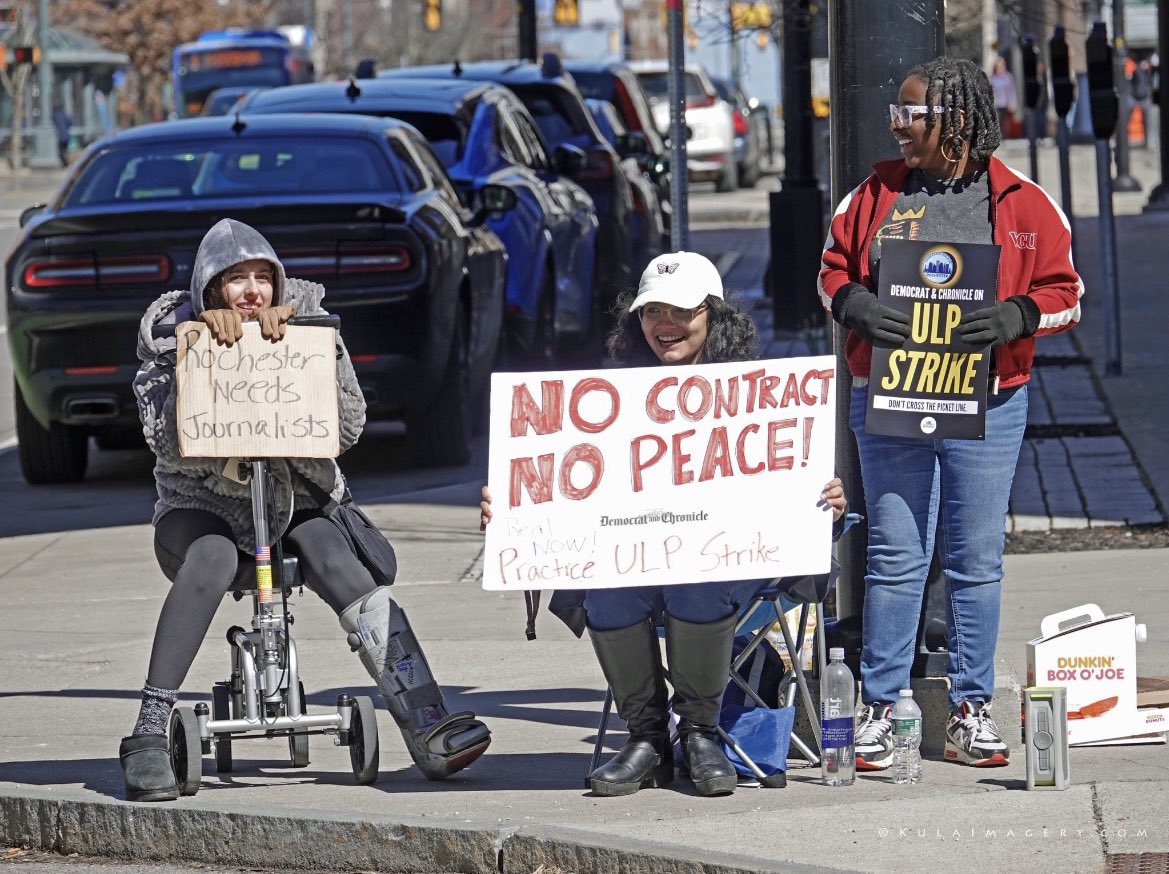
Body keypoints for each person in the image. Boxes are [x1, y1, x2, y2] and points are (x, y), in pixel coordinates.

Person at [120, 218, 491, 802]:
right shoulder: (173, 335)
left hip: (292, 497)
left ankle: (426, 717)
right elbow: (168, 444)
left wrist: (303, 355)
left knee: (332, 551)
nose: (250, 292)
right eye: (233, 279)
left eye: (261, 278)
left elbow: (346, 426)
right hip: (201, 506)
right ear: (211, 288)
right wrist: (201, 355)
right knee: (213, 555)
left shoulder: (309, 324)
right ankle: (145, 733)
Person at [481, 251, 849, 797]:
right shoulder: (608, 398)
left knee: (697, 580)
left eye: (681, 311)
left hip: (729, 564)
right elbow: (568, 491)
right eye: (651, 312)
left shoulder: (758, 393)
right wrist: (515, 505)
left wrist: (829, 501)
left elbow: (792, 490)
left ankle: (700, 733)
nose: (665, 325)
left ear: (714, 316)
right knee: (605, 587)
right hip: (641, 560)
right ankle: (647, 739)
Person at [818, 57, 1082, 770]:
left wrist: (1016, 316)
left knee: (974, 561)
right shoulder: (872, 194)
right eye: (896, 115)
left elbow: (1067, 292)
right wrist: (856, 306)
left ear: (956, 119)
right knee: (895, 556)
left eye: (912, 115)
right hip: (892, 394)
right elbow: (829, 271)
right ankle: (879, 707)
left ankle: (970, 711)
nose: (897, 128)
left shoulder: (1022, 202)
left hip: (988, 400)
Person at [989, 56, 1017, 140]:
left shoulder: (1008, 77)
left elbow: (1011, 91)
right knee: (997, 121)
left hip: (1005, 103)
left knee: (1005, 122)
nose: (999, 68)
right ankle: (997, 137)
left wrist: (1013, 104)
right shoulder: (992, 78)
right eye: (997, 66)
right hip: (996, 103)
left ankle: (1004, 137)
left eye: (1000, 66)